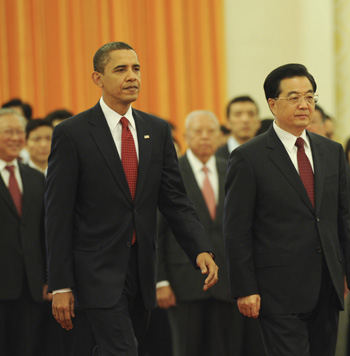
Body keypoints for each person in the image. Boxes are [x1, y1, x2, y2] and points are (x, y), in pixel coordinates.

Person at [45, 41, 218, 356]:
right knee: (122, 349)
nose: (132, 76)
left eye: (136, 68)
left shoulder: (157, 129)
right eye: (120, 69)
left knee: (120, 346)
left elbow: (175, 201)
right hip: (94, 272)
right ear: (98, 79)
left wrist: (200, 248)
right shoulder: (73, 133)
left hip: (141, 271)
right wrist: (60, 284)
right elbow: (57, 214)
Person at [223, 63, 350, 356]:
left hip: (326, 287)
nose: (304, 104)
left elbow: (346, 218)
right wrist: (244, 287)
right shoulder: (248, 157)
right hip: (276, 291)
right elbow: (237, 230)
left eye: (310, 96)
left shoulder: (331, 151)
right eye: (294, 97)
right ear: (272, 104)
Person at [157, 110, 236, 356]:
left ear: (220, 136)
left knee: (224, 349)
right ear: (186, 136)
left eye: (210, 131)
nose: (204, 137)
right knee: (187, 348)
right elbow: (157, 232)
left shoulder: (231, 169)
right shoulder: (169, 171)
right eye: (197, 132)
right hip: (183, 282)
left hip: (226, 282)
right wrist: (160, 281)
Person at [0, 108, 49, 356]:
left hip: (31, 287)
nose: (15, 138)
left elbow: (44, 233)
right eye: (8, 132)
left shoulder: (35, 178)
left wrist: (48, 278)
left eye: (19, 132)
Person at [215, 95, 261, 160]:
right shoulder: (215, 157)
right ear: (228, 122)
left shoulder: (270, 155)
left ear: (258, 122)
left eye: (251, 114)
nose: (245, 119)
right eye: (238, 114)